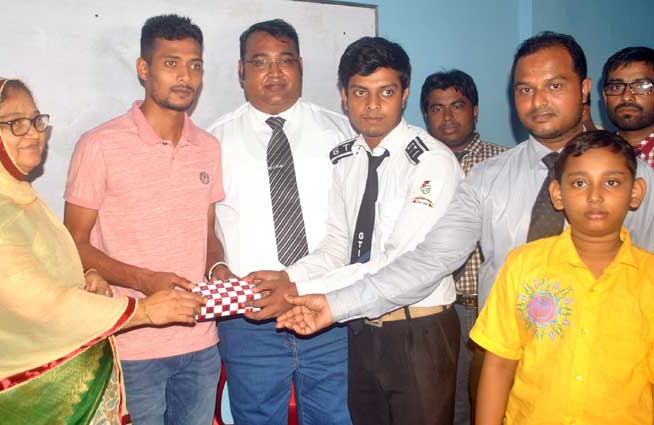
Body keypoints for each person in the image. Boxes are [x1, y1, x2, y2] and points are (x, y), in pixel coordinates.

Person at [276, 32, 654, 362]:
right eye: (525, 89)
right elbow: (428, 260)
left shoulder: (634, 177)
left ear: (584, 89)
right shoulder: (486, 179)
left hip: (608, 356)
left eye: (554, 86)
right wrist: (335, 304)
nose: (538, 101)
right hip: (504, 355)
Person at [0, 77, 203, 424]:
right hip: (26, 392)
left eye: (36, 121)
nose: (33, 133)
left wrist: (86, 275)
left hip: (61, 380)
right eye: (14, 123)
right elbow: (32, 301)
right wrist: (142, 310)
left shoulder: (5, 191)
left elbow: (38, 261)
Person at [253, 37, 463, 424]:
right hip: (361, 328)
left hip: (418, 331)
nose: (372, 105)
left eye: (386, 92)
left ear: (404, 95)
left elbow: (399, 263)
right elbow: (338, 247)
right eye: (360, 92)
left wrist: (299, 292)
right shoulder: (347, 160)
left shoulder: (431, 162)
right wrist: (288, 277)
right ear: (344, 97)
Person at [64, 15, 222, 425]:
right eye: (171, 63)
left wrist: (219, 268)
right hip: (131, 344)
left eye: (195, 65)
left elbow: (207, 232)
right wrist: (144, 280)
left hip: (201, 344)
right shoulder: (99, 145)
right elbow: (74, 244)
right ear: (143, 69)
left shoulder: (208, 147)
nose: (185, 76)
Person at [206, 19, 354, 425]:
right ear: (241, 71)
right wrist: (217, 268)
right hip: (250, 319)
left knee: (334, 418)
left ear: (300, 66)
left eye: (284, 60)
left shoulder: (342, 134)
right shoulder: (212, 142)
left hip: (329, 310)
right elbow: (203, 227)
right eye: (260, 62)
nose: (274, 72)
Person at [472, 130, 652, 424]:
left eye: (611, 182)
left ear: (635, 192)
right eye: (579, 183)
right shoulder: (523, 265)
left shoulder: (648, 278)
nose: (595, 196)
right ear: (557, 194)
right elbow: (499, 365)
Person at [420, 69, 506, 425]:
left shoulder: (503, 164)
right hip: (434, 310)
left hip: (490, 308)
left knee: (491, 404)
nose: (448, 117)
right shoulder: (416, 165)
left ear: (475, 110)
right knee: (442, 406)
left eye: (457, 106)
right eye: (437, 108)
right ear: (425, 115)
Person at [601, 46, 654, 168]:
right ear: (605, 97)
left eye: (641, 86)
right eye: (616, 87)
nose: (626, 97)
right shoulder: (594, 155)